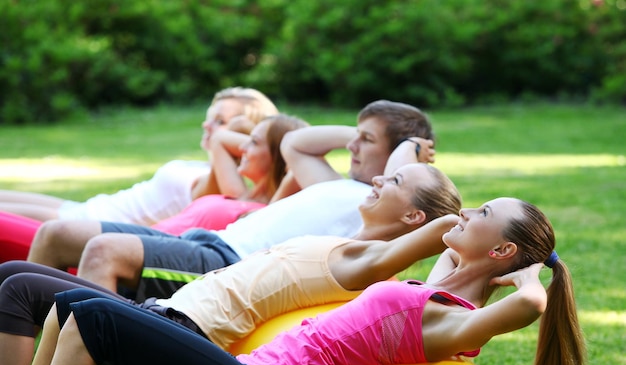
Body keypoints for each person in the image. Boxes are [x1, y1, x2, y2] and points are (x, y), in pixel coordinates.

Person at [6, 197, 585, 365]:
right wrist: (458, 230)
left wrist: (532, 276)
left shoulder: (452, 321)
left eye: (484, 214)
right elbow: (451, 259)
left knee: (95, 314)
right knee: (70, 305)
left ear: (504, 248)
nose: (471, 211)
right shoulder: (437, 291)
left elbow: (529, 307)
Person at [0, 162, 460, 365]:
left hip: (186, 328)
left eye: (395, 180)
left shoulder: (366, 262)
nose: (379, 177)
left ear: (415, 219)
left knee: (78, 310)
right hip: (164, 309)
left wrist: (485, 228)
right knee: (19, 280)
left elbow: (437, 233)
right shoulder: (348, 242)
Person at [27, 100, 437, 301]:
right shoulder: (337, 185)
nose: (351, 146)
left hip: (232, 264)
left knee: (102, 251)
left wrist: (411, 146)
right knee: (56, 234)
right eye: (355, 136)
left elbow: (401, 174)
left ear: (401, 154)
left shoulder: (386, 203)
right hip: (205, 240)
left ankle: (91, 351)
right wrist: (362, 129)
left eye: (366, 141)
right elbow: (295, 142)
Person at [0, 113, 308, 264]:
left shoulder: (268, 211)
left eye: (254, 142)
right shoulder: (243, 194)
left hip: (119, 257)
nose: (244, 147)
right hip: (111, 242)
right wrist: (257, 141)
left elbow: (298, 167)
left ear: (278, 155)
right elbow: (219, 141)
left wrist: (287, 149)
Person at [0, 87, 279, 225]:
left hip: (85, 225)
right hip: (86, 208)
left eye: (220, 122)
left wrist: (241, 135)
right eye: (210, 118)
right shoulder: (207, 168)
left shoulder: (220, 183)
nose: (209, 126)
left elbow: (236, 199)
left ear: (244, 132)